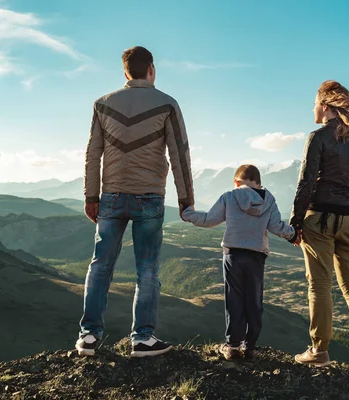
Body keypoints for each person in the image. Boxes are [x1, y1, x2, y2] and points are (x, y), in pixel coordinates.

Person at [76, 46, 194, 358]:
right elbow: (179, 153)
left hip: (111, 195)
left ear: (126, 73)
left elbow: (92, 153)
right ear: (151, 69)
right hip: (150, 197)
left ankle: (88, 336)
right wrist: (186, 199)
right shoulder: (167, 104)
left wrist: (91, 196)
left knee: (100, 264)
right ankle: (142, 338)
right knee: (148, 269)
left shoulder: (103, 104)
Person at [290, 80, 349, 370]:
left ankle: (319, 350)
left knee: (320, 285)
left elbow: (305, 181)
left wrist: (296, 220)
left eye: (315, 103)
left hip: (320, 218)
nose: (313, 108)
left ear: (325, 106)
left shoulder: (317, 137)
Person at [182, 165, 300, 360]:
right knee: (253, 300)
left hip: (232, 255)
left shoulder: (229, 196)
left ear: (236, 182)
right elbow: (276, 227)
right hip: (256, 257)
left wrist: (187, 214)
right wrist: (293, 235)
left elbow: (208, 220)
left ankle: (233, 346)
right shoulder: (268, 199)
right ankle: (251, 346)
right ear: (259, 183)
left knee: (233, 299)